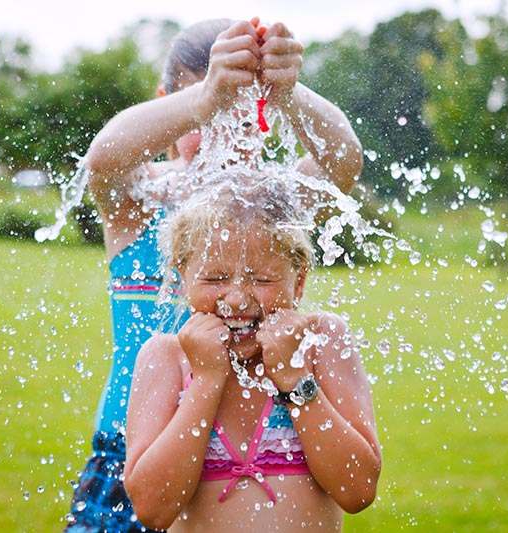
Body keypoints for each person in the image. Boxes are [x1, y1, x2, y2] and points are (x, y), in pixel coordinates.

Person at [65, 17, 363, 532]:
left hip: (253, 446)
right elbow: (105, 159)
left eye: (242, 116)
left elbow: (343, 162)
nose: (223, 133)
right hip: (131, 449)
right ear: (169, 105)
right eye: (207, 115)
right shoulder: (145, 201)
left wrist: (290, 93)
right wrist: (208, 97)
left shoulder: (276, 208)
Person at [124, 183, 381, 532]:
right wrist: (207, 380)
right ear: (183, 277)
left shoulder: (320, 343)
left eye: (261, 278)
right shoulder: (166, 357)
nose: (237, 299)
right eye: (214, 278)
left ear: (299, 281)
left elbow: (358, 489)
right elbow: (153, 509)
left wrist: (293, 377)